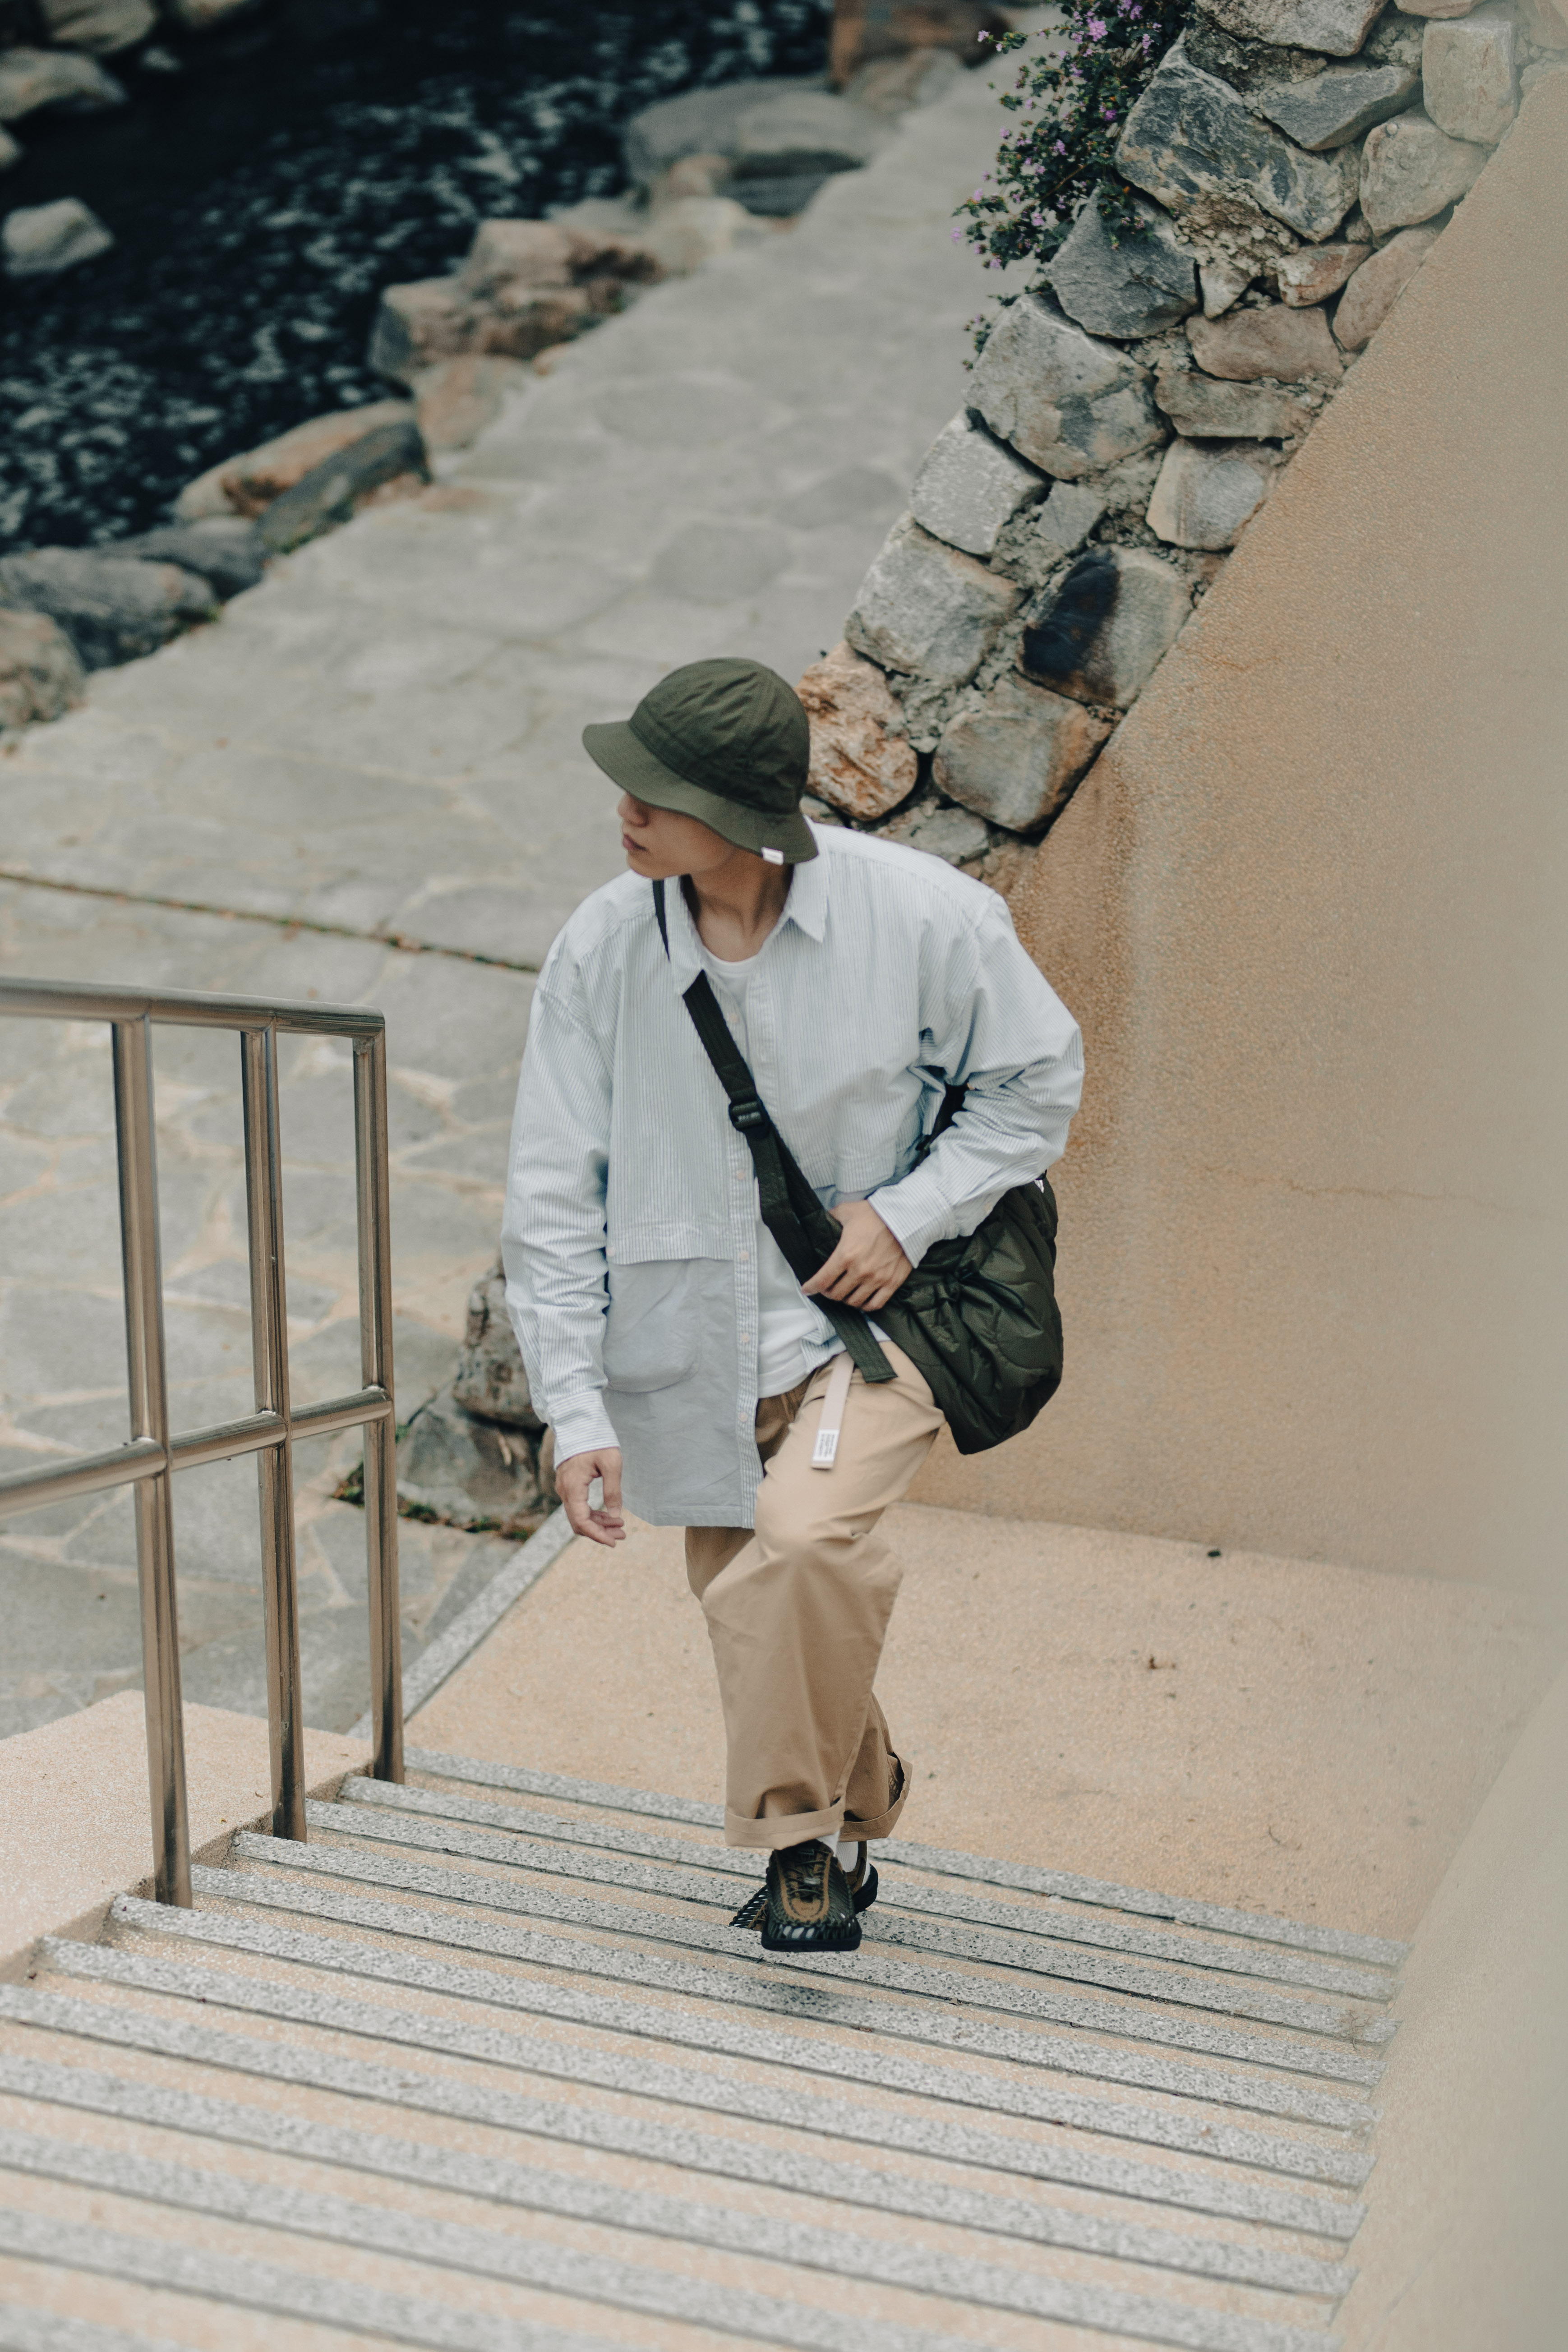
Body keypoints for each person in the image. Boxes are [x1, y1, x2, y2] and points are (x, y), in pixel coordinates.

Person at [503, 656, 1082, 1952]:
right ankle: (860, 1792)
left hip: (876, 1322)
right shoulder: (603, 947)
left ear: (744, 816)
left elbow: (1036, 1087)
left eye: (658, 794)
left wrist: (906, 1214)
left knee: (804, 1545)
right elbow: (551, 1189)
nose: (624, 811)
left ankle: (796, 1851)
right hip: (690, 1341)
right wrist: (573, 1409)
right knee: (762, 1608)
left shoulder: (924, 920)